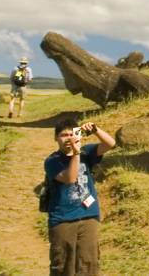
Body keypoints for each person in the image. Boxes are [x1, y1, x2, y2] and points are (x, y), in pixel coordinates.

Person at [44, 118, 116, 276]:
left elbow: (110, 143)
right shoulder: (52, 161)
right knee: (63, 266)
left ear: (78, 135)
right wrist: (76, 154)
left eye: (72, 134)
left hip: (88, 216)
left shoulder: (87, 152)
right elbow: (70, 179)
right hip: (62, 219)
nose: (68, 138)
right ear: (56, 138)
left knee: (89, 264)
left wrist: (95, 130)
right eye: (64, 135)